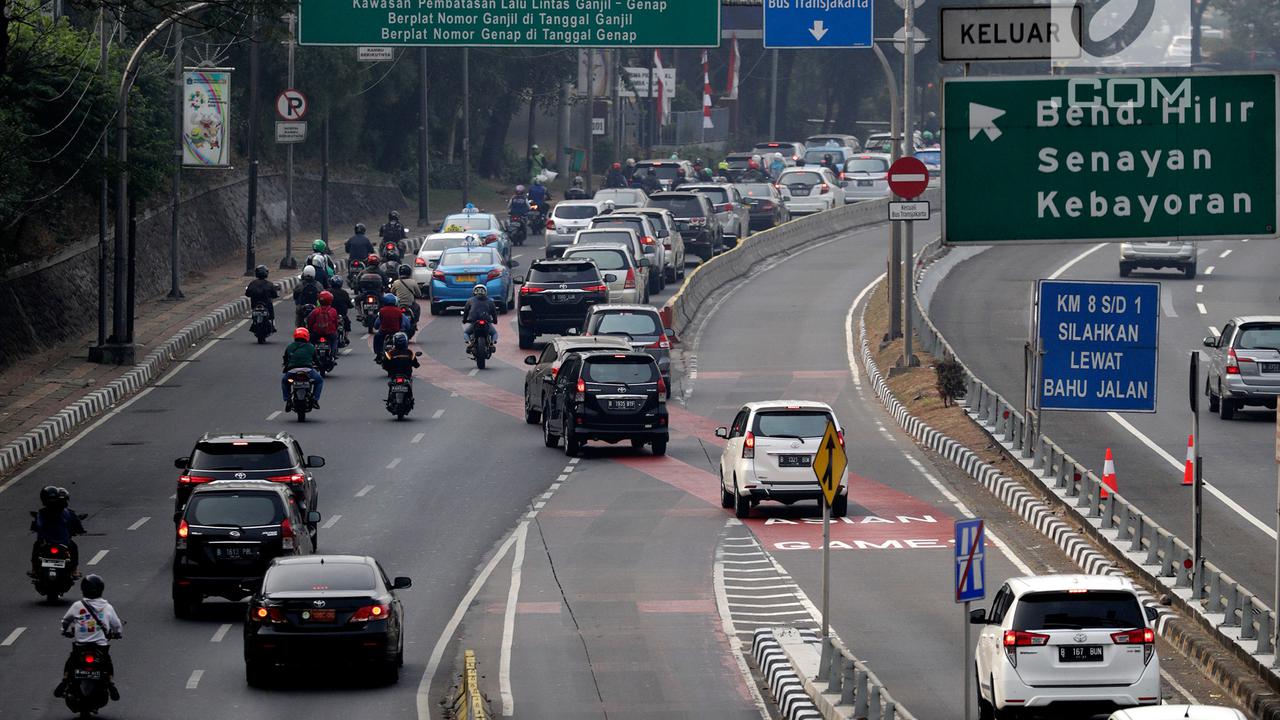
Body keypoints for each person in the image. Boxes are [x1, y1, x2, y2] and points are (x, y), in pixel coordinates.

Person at [54, 575, 123, 701]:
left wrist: (64, 630)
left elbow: (66, 620)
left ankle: (64, 680)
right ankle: (110, 683)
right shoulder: (107, 607)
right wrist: (117, 633)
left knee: (72, 661)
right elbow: (117, 625)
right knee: (106, 663)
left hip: (81, 646)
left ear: (83, 589)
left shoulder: (77, 606)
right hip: (100, 647)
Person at [30, 486, 84, 577]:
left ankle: (34, 570)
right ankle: (74, 570)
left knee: (36, 546)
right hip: (62, 543)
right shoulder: (67, 512)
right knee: (73, 547)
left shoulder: (41, 513)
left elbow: (37, 526)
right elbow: (76, 526)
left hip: (45, 543)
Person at [281, 328, 323, 409]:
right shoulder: (311, 347)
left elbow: (285, 359)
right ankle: (315, 400)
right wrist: (321, 368)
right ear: (307, 336)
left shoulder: (290, 347)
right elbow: (316, 360)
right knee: (319, 381)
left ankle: (288, 399)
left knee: (284, 381)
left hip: (292, 372)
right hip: (308, 371)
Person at [462, 285, 499, 349]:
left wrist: (464, 320)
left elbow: (466, 312)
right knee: (494, 333)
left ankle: (469, 343)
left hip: (474, 322)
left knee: (466, 333)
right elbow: (494, 312)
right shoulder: (490, 301)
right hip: (487, 322)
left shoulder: (470, 300)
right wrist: (495, 321)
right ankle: (492, 342)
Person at [244, 265, 278, 330]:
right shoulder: (269, 284)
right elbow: (274, 295)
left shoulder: (252, 283)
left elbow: (247, 293)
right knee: (271, 312)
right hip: (267, 305)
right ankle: (272, 324)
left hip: (255, 305)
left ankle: (254, 323)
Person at [390, 264, 423, 330]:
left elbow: (392, 293)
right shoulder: (413, 282)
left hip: (398, 305)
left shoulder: (396, 282)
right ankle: (414, 323)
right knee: (417, 307)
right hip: (410, 305)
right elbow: (419, 294)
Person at [328, 276, 353, 341]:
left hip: (330, 315)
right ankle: (345, 337)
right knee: (347, 324)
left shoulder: (328, 292)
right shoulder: (344, 293)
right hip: (341, 315)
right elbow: (349, 304)